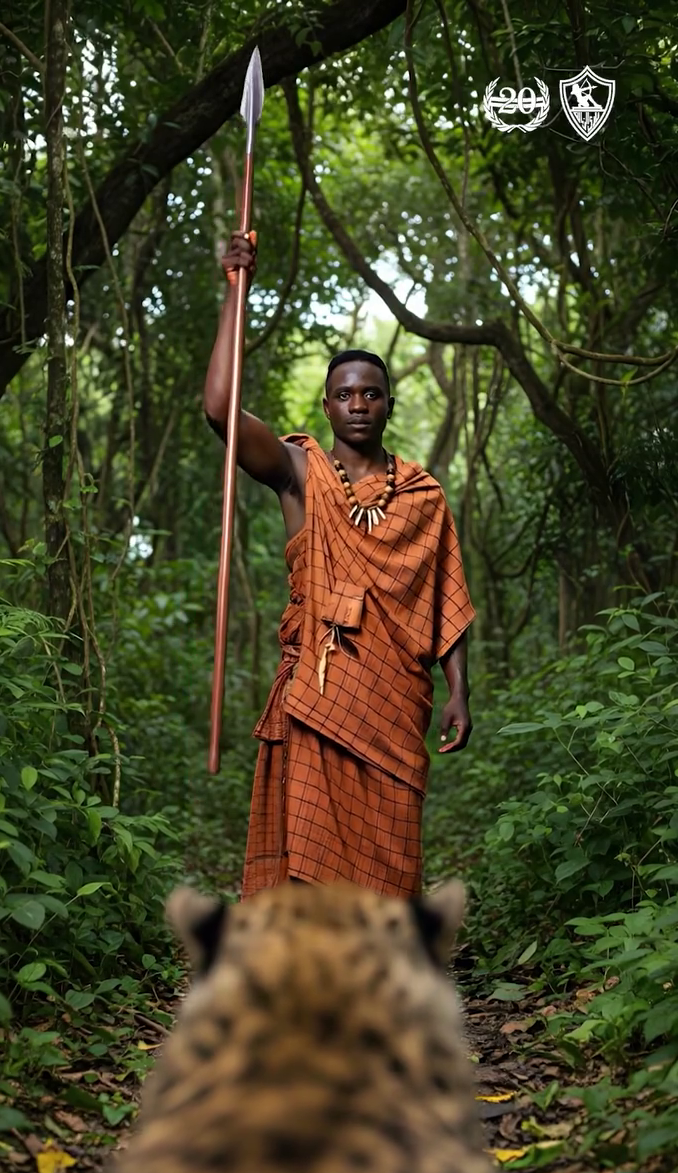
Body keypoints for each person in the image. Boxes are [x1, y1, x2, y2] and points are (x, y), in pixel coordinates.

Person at [203, 230, 475, 899]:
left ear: (388, 403)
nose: (359, 404)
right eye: (346, 395)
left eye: (371, 394)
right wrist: (235, 293)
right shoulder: (299, 473)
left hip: (393, 701)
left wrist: (460, 691)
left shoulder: (422, 496)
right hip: (317, 691)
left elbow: (447, 600)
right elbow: (219, 410)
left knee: (388, 846)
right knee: (309, 844)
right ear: (327, 406)